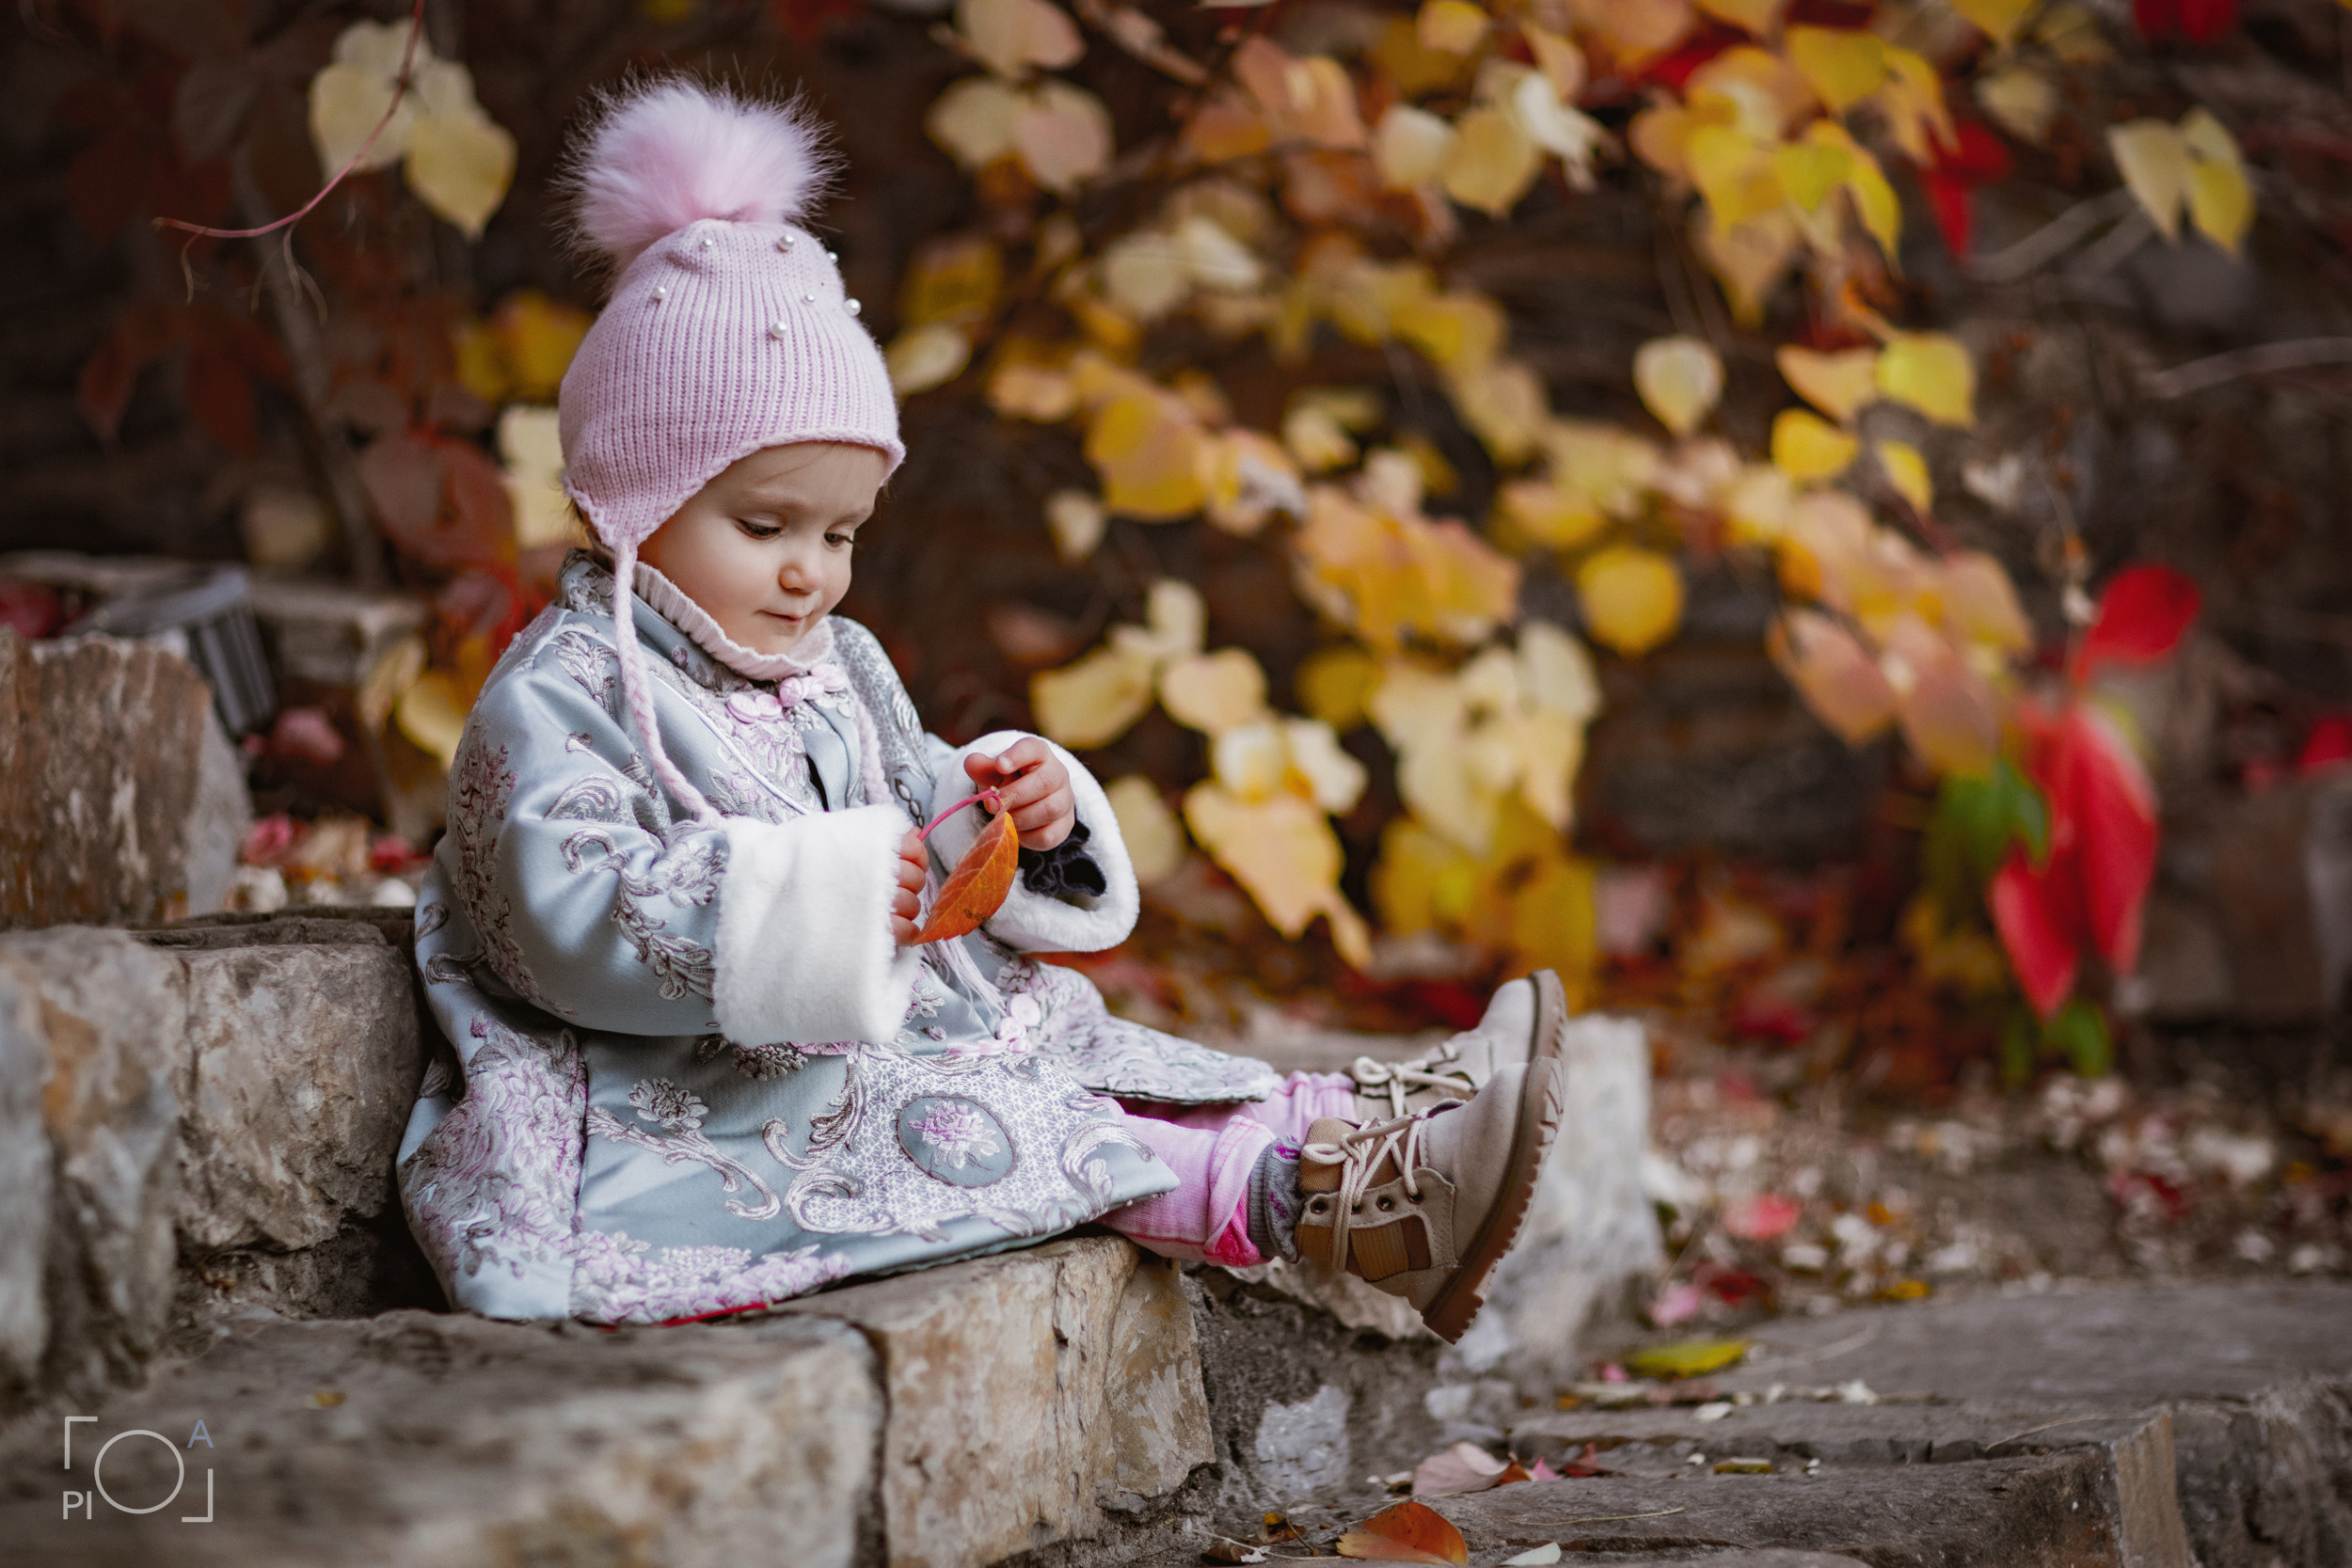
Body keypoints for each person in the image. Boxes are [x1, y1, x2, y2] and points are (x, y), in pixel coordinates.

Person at [396, 78, 1568, 1341]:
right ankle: (1334, 1207)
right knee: (999, 1136)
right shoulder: (563, 692)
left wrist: (1010, 813)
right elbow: (561, 916)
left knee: (1086, 1058)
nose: (811, 569)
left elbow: (910, 793)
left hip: (874, 1028)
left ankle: (1365, 1125)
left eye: (841, 531)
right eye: (765, 524)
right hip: (678, 1087)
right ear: (626, 502)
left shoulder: (831, 659)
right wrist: (825, 901)